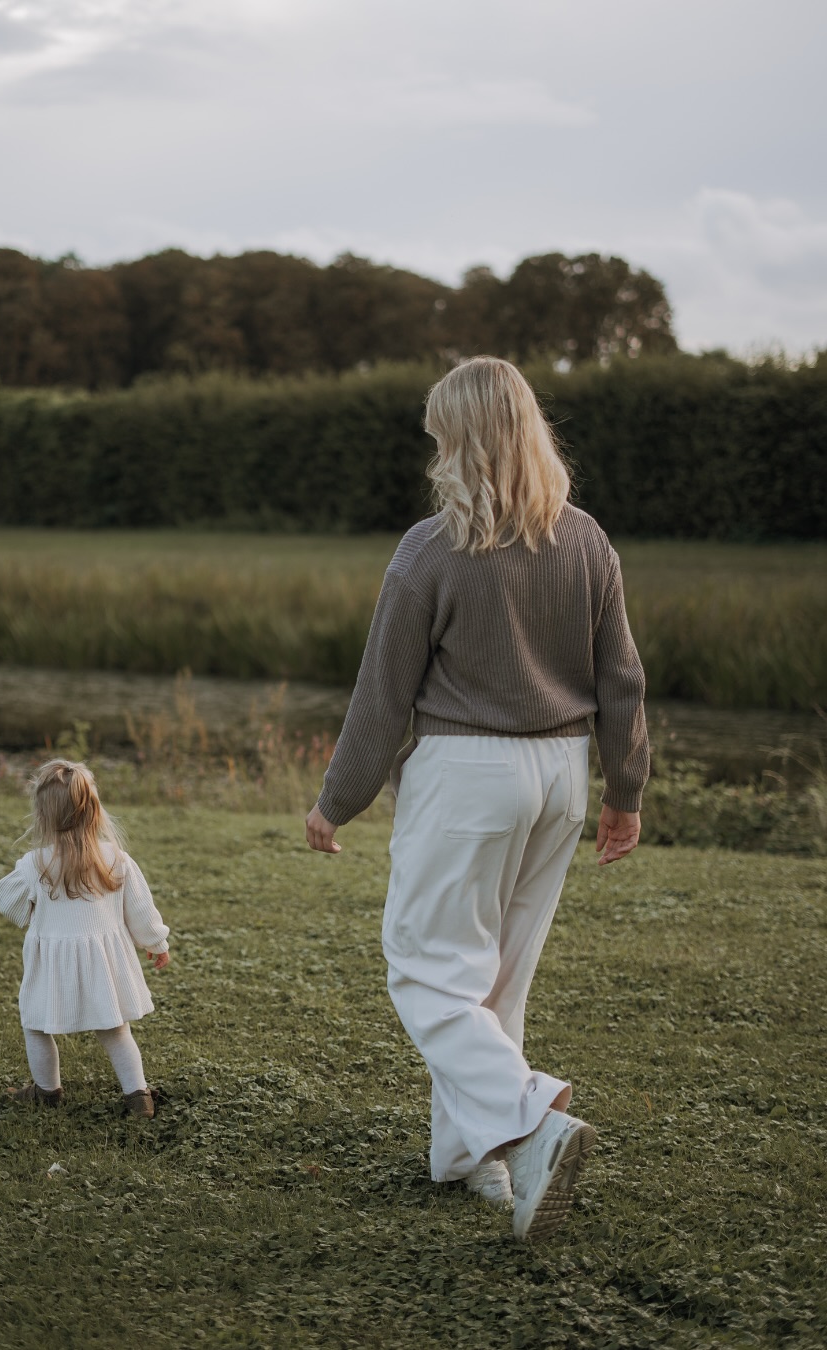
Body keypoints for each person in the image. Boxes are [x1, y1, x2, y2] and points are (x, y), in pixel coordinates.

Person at [305, 356, 648, 1242]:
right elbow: (622, 680)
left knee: (426, 970)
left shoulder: (430, 549)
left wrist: (335, 802)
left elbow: (384, 695)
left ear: (459, 441)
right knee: (495, 979)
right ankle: (475, 1163)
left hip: (468, 776)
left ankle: (531, 1110)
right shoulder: (586, 539)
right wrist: (626, 791)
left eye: (438, 437)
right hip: (561, 778)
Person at [0, 758, 170, 1118]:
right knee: (116, 1031)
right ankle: (138, 1097)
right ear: (93, 810)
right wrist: (156, 943)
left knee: (36, 1025)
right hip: (104, 966)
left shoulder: (35, 864)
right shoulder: (115, 858)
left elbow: (9, 904)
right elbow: (141, 909)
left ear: (43, 816)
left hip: (52, 967)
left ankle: (47, 1092)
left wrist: (32, 907)